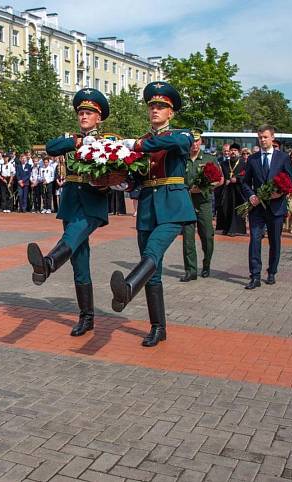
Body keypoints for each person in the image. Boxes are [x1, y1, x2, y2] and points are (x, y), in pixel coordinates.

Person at [112, 82, 196, 347]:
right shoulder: (143, 142)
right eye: (152, 106)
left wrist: (136, 144)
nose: (155, 110)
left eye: (161, 106)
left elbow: (172, 143)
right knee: (153, 271)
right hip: (148, 206)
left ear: (171, 113)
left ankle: (128, 287)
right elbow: (137, 178)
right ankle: (158, 327)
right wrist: (120, 182)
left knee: (153, 251)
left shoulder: (181, 135)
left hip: (173, 207)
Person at [28, 88, 113, 338]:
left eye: (89, 113)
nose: (84, 117)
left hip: (92, 202)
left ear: (99, 117)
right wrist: (77, 141)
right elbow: (51, 147)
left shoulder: (108, 139)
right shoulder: (72, 139)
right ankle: (86, 317)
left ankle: (48, 263)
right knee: (79, 259)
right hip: (71, 202)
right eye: (81, 113)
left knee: (73, 237)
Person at [240, 125, 292, 290]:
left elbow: (289, 181)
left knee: (274, 242)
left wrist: (280, 193)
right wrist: (251, 196)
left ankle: (271, 272)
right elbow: (245, 182)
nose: (262, 140)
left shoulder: (283, 158)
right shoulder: (253, 159)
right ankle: (254, 276)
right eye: (260, 137)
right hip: (257, 209)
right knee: (255, 240)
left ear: (272, 137)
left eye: (265, 137)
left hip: (276, 207)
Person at [180, 128, 223, 281]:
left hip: (204, 202)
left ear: (201, 142)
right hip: (186, 203)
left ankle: (206, 264)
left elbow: (220, 180)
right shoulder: (181, 159)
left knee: (207, 236)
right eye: (192, 142)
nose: (194, 145)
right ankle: (190, 270)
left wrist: (205, 187)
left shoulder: (209, 159)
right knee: (188, 237)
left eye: (197, 141)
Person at [218, 144, 247, 236]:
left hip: (238, 191)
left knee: (237, 209)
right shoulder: (224, 164)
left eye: (235, 150)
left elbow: (246, 176)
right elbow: (220, 175)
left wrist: (237, 179)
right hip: (226, 190)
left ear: (238, 152)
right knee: (226, 209)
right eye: (231, 150)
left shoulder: (244, 164)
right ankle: (226, 229)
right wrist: (224, 179)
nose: (233, 152)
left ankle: (236, 229)